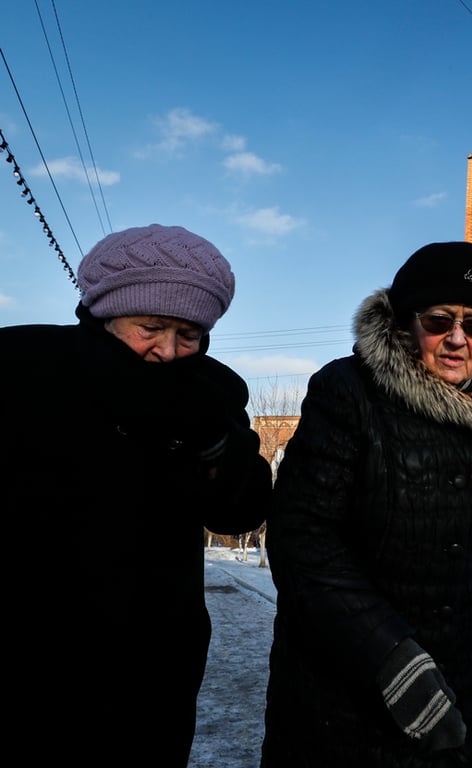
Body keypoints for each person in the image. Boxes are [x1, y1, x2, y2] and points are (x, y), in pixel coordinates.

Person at [0, 223, 273, 765]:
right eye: (150, 327)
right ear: (106, 312)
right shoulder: (21, 368)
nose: (168, 351)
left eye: (189, 335)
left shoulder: (212, 391)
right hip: (27, 663)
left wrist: (215, 442)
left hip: (151, 672)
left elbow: (239, 510)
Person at [260, 241, 472, 767]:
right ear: (406, 323)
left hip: (461, 679)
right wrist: (392, 659)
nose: (456, 339)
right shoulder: (348, 391)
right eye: (439, 320)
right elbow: (302, 543)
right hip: (349, 685)